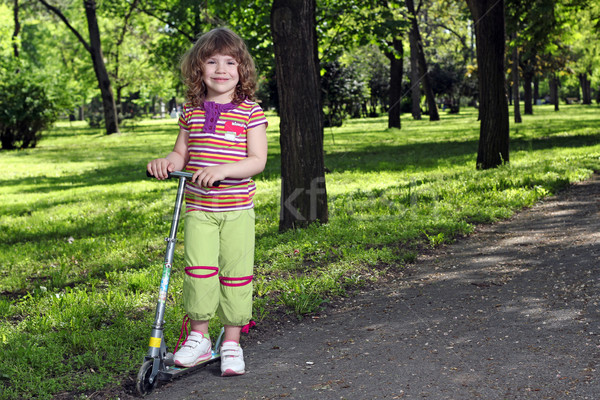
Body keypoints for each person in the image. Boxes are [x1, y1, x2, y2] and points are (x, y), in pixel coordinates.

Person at [147, 27, 268, 377]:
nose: (221, 69)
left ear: (241, 70)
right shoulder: (191, 111)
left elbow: (257, 160)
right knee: (198, 272)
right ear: (198, 69)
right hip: (199, 209)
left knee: (236, 275)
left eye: (230, 62)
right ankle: (199, 339)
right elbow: (180, 153)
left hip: (237, 210)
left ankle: (231, 342)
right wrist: (167, 163)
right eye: (211, 61)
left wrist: (222, 170)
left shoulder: (250, 112)